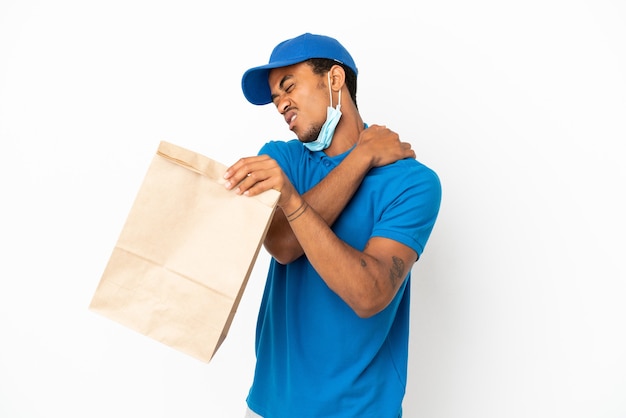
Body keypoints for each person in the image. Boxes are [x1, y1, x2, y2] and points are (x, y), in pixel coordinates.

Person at [224, 33, 442, 418]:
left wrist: (294, 199)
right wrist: (361, 157)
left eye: (288, 86)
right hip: (270, 406)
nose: (281, 105)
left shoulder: (412, 183)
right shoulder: (279, 160)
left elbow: (369, 294)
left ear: (335, 80)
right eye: (275, 98)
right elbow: (285, 247)